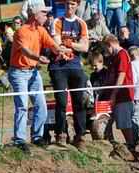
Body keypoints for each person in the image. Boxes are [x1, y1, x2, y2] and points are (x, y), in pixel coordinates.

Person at [8, 5, 65, 151]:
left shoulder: (41, 30)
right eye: (44, 13)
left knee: (41, 105)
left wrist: (62, 51)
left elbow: (52, 44)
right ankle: (19, 140)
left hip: (33, 72)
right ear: (35, 15)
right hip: (18, 72)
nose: (47, 16)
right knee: (22, 105)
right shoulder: (21, 31)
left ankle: (37, 137)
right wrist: (39, 58)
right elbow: (25, 51)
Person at [49, 0, 89, 148]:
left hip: (75, 66)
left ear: (77, 5)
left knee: (79, 101)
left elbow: (85, 47)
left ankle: (80, 135)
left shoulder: (81, 23)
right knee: (61, 102)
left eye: (72, 4)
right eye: (67, 4)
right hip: (59, 67)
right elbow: (57, 45)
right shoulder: (57, 21)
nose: (70, 7)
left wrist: (69, 44)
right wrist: (69, 46)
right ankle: (60, 133)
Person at [103, 34, 135, 154]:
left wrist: (114, 93)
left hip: (123, 95)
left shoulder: (122, 54)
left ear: (109, 44)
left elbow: (121, 75)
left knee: (124, 122)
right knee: (118, 121)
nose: (106, 52)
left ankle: (131, 145)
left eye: (106, 48)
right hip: (117, 94)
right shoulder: (114, 57)